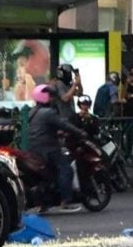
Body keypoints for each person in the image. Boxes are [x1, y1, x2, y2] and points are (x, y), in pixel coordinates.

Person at [28, 84, 88, 212]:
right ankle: (65, 201)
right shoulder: (48, 112)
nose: (53, 99)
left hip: (34, 148)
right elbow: (64, 124)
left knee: (49, 174)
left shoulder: (33, 112)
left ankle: (44, 204)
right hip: (48, 148)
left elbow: (43, 128)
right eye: (51, 96)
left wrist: (57, 133)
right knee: (66, 169)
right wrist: (80, 132)